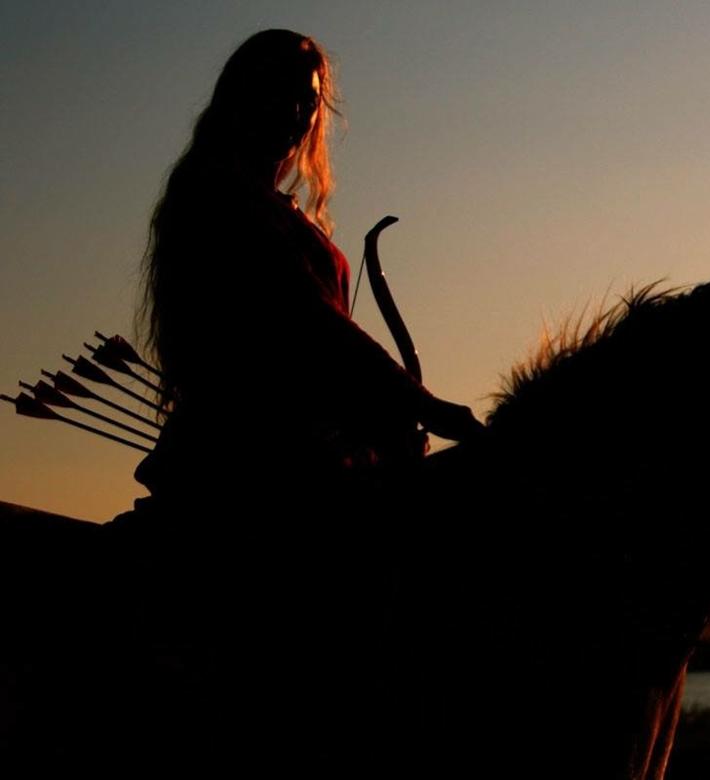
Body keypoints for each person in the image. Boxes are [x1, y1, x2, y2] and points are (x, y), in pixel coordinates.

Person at [103, 29, 482, 766]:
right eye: (275, 92)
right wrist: (423, 407)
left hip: (316, 461)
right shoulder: (216, 195)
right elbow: (305, 329)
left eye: (306, 102)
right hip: (252, 469)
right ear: (239, 96)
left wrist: (384, 424)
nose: (292, 112)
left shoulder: (275, 208)